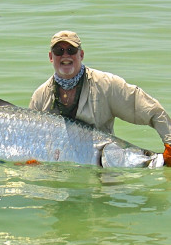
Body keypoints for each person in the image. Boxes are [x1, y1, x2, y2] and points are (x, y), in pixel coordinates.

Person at [29, 30, 171, 166]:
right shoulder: (40, 96)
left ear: (81, 55)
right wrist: (28, 160)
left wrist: (169, 143)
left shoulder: (107, 85)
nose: (65, 55)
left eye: (71, 50)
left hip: (102, 170)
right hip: (58, 175)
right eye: (59, 51)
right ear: (51, 57)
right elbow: (30, 139)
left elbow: (153, 111)